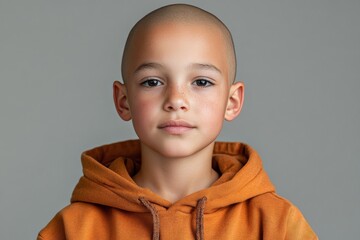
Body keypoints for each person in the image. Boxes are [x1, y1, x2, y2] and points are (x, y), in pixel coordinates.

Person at [37, 4, 317, 240]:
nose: (176, 99)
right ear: (124, 101)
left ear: (232, 102)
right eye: (152, 82)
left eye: (202, 82)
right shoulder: (74, 228)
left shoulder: (276, 224)